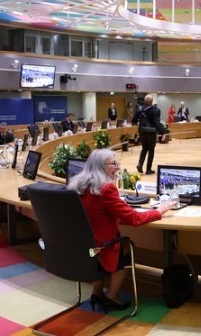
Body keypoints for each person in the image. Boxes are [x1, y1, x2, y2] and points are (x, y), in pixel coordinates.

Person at [67, 149, 171, 310]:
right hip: (100, 248)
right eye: (113, 164)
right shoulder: (106, 189)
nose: (118, 167)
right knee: (127, 248)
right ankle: (112, 296)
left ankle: (96, 292)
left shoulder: (78, 185)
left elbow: (96, 212)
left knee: (100, 245)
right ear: (101, 166)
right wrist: (159, 211)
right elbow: (134, 219)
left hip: (81, 248)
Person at [133, 95, 166, 175]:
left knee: (144, 149)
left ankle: (140, 164)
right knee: (151, 150)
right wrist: (163, 132)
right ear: (152, 101)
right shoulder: (156, 110)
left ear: (145, 101)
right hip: (151, 133)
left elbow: (133, 120)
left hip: (142, 132)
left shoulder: (140, 109)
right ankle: (148, 169)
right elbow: (156, 122)